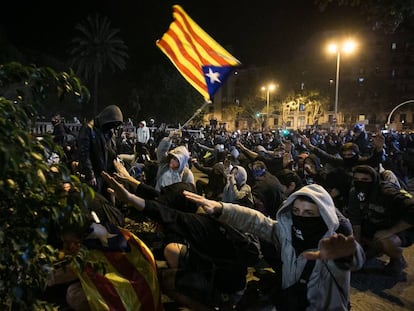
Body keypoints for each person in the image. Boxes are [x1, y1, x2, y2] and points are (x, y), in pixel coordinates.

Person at [183, 184, 365, 310]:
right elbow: (257, 222)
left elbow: (353, 260)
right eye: (296, 211)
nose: (301, 217)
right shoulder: (287, 233)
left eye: (309, 213)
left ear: (324, 217)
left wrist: (348, 253)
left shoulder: (331, 246)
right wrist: (221, 209)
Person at [101, 169, 260, 311]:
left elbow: (167, 214)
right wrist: (131, 180)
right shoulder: (200, 206)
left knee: (163, 280)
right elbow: (159, 199)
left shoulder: (200, 225)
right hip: (218, 269)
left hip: (225, 288)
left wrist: (129, 199)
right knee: (172, 250)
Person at [347, 165, 414, 275]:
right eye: (357, 179)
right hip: (375, 224)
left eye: (365, 179)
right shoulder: (355, 192)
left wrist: (390, 232)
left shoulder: (388, 191)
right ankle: (373, 249)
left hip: (397, 229)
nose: (360, 182)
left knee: (386, 240)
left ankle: (398, 260)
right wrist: (357, 247)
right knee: (348, 234)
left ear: (374, 179)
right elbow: (356, 219)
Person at [77, 105, 123, 198]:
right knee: (96, 201)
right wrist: (90, 174)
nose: (113, 126)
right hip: (95, 174)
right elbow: (84, 153)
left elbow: (112, 151)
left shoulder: (109, 131)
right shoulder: (89, 128)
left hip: (107, 174)